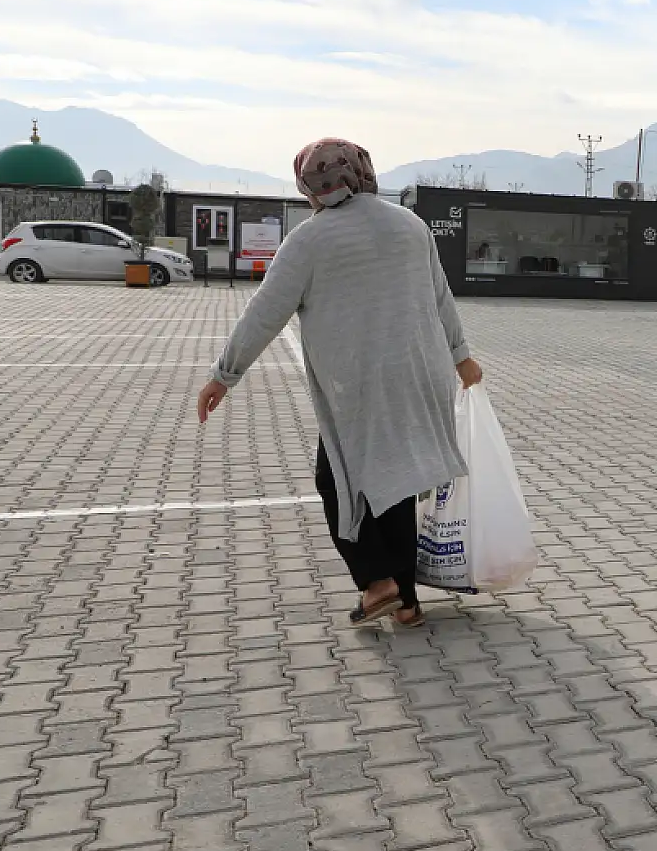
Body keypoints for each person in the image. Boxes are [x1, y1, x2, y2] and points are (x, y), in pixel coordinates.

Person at [197, 139, 482, 628]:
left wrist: (224, 375)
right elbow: (442, 297)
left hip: (362, 389)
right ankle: (406, 604)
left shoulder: (312, 239)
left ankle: (377, 585)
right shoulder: (411, 226)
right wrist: (462, 358)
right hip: (422, 376)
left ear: (312, 184)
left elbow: (265, 312)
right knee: (392, 484)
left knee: (338, 483)